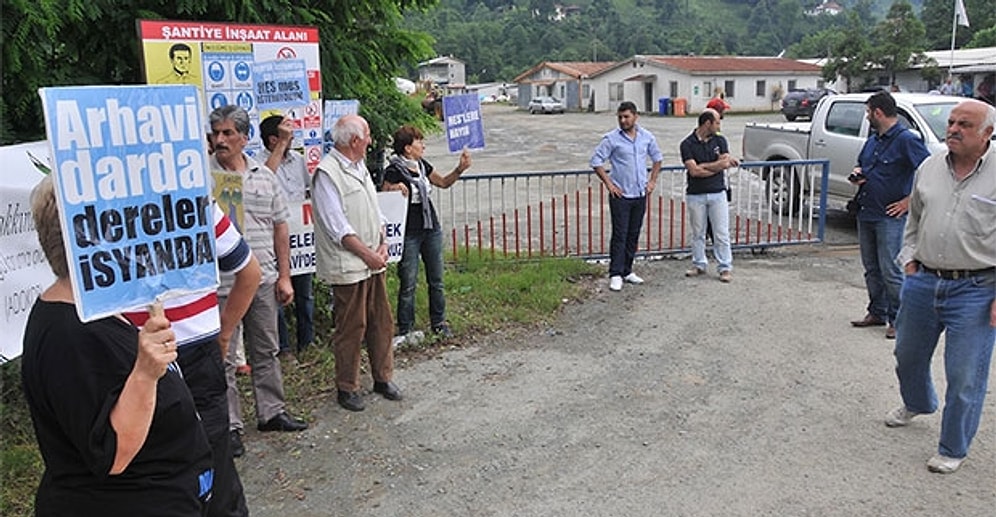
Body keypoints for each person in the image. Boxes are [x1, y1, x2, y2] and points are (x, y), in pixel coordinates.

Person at [21, 176, 214, 516]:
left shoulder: (95, 314)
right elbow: (112, 452)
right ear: (92, 238)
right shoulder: (71, 333)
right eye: (125, 223)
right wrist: (145, 372)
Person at [886, 99, 996, 474]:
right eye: (951, 122)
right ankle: (918, 402)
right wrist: (910, 257)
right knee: (907, 355)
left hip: (977, 289)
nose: (954, 129)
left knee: (965, 374)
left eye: (965, 124)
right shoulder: (929, 167)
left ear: (987, 135)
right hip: (924, 280)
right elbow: (915, 217)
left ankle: (953, 447)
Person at [209, 105, 308, 452]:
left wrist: (285, 276)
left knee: (266, 347)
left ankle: (272, 412)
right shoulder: (203, 179)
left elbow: (281, 227)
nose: (220, 140)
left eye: (227, 133)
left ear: (244, 138)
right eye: (216, 134)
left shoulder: (265, 176)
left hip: (264, 278)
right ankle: (229, 425)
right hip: (221, 285)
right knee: (223, 356)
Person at [312, 114, 401, 412]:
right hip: (349, 264)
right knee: (352, 326)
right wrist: (368, 254)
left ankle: (382, 377)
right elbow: (337, 226)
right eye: (367, 136)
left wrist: (383, 241)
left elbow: (373, 209)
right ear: (354, 141)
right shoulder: (327, 173)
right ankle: (347, 386)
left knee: (381, 320)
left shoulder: (358, 166)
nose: (370, 141)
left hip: (372, 259)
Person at [848, 91, 930, 339]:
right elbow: (863, 163)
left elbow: (929, 172)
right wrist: (858, 172)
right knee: (871, 268)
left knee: (891, 270)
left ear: (878, 112)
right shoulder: (874, 140)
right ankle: (877, 311)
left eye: (868, 112)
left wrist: (908, 201)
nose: (867, 116)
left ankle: (899, 319)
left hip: (889, 216)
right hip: (867, 211)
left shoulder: (907, 140)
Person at [382, 125, 471, 340]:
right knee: (408, 281)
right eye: (419, 141)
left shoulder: (422, 165)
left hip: (430, 226)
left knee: (436, 278)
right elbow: (383, 195)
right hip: (409, 231)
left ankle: (438, 322)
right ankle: (406, 328)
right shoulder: (393, 169)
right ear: (407, 148)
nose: (423, 145)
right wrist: (393, 189)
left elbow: (442, 182)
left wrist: (459, 169)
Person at [590, 101, 663, 292]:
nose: (623, 120)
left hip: (640, 193)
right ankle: (615, 273)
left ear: (635, 117)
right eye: (620, 117)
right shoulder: (612, 139)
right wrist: (609, 183)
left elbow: (657, 158)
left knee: (633, 233)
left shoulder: (646, 137)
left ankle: (627, 270)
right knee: (620, 235)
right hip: (621, 195)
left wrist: (652, 181)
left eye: (626, 117)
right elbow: (596, 161)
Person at [260, 114, 315, 356]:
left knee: (305, 293)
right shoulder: (257, 163)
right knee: (277, 295)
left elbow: (308, 191)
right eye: (285, 134)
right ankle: (282, 347)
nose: (291, 137)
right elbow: (263, 183)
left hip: (300, 238)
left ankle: (307, 341)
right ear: (273, 139)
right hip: (273, 239)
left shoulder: (298, 160)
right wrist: (282, 145)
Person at [680, 108, 738, 282]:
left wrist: (705, 166)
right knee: (698, 232)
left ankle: (725, 267)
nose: (719, 125)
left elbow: (724, 162)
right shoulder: (687, 144)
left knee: (721, 233)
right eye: (717, 122)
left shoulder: (720, 140)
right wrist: (716, 165)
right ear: (708, 123)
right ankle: (699, 263)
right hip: (696, 194)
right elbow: (694, 171)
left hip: (717, 193)